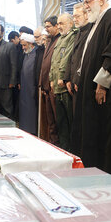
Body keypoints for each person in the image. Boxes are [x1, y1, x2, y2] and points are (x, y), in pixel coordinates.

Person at [71, 0, 111, 176]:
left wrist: (102, 85)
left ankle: (102, 171)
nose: (86, 7)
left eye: (88, 2)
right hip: (89, 88)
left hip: (101, 91)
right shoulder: (98, 21)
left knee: (101, 133)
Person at [49, 13, 76, 151]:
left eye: (62, 23)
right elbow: (54, 60)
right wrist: (51, 78)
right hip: (57, 86)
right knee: (61, 123)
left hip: (65, 87)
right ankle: (65, 149)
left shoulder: (72, 36)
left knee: (69, 122)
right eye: (58, 24)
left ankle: (72, 150)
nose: (59, 26)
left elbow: (67, 58)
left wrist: (60, 76)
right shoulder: (60, 39)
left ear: (71, 24)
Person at [65, 3, 91, 111]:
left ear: (86, 15)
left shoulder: (90, 32)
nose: (74, 19)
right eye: (73, 16)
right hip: (73, 82)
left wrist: (77, 79)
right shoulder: (79, 32)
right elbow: (72, 57)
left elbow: (84, 59)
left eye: (77, 16)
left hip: (81, 82)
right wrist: (68, 78)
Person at [39, 16, 60, 145]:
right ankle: (53, 144)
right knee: (50, 121)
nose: (46, 29)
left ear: (56, 25)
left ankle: (58, 145)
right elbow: (44, 64)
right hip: (46, 87)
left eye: (48, 26)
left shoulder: (59, 41)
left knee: (57, 121)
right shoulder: (50, 40)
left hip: (54, 87)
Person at [18, 33, 44, 135]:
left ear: (30, 44)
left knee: (31, 111)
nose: (23, 48)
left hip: (32, 88)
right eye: (22, 45)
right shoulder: (26, 54)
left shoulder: (36, 53)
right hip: (24, 88)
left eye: (25, 45)